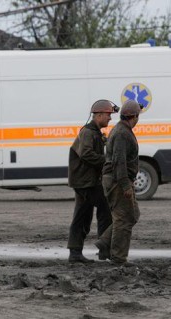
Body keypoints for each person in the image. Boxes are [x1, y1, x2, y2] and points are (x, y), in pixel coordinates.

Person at [67, 100, 118, 263]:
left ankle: (75, 253)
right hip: (85, 181)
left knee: (82, 215)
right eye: (108, 115)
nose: (110, 118)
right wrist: (107, 161)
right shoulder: (88, 133)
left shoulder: (94, 132)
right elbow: (86, 154)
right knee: (105, 207)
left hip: (85, 180)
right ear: (99, 115)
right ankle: (104, 248)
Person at [96, 100, 142, 265]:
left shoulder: (123, 130)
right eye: (138, 116)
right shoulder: (122, 133)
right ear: (134, 116)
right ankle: (118, 258)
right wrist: (124, 184)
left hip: (117, 179)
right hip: (117, 180)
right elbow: (119, 161)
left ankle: (105, 241)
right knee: (124, 218)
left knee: (133, 214)